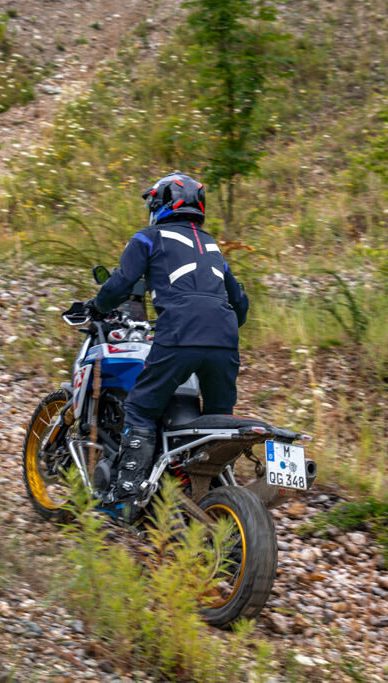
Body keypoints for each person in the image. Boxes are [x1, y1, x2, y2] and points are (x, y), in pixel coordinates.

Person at [84, 171, 249, 517]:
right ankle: (207, 492)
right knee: (217, 422)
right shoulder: (212, 247)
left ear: (161, 203)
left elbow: (121, 282)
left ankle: (124, 499)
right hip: (225, 340)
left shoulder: (147, 238)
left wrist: (97, 306)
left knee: (141, 408)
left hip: (179, 334)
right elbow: (240, 303)